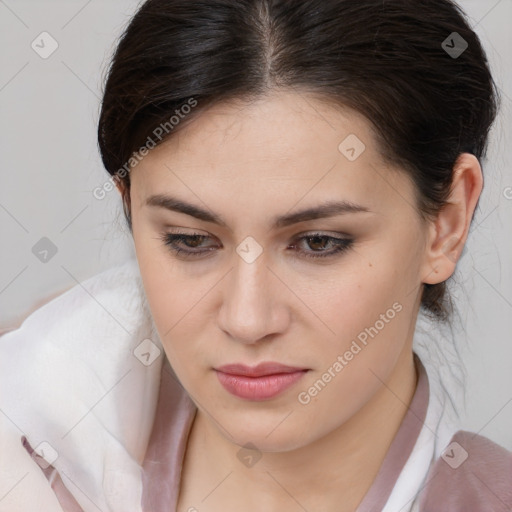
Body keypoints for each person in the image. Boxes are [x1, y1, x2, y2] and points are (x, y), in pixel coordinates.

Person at [1, 0, 511, 511]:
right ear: (130, 209)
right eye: (190, 240)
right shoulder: (28, 439)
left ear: (446, 222)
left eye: (318, 242)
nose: (247, 320)